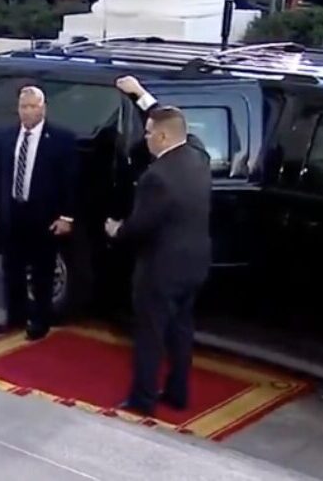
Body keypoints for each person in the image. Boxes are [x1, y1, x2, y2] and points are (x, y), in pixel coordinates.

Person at [104, 107, 211, 417]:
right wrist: (142, 96)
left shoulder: (157, 176)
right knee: (181, 330)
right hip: (195, 265)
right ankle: (178, 393)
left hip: (160, 269)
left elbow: (140, 225)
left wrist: (116, 230)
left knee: (150, 334)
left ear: (163, 136)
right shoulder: (199, 157)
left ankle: (143, 399)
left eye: (149, 132)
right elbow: (184, 130)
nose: (146, 138)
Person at [0, 87, 77, 340]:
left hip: (43, 215)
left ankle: (40, 320)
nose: (28, 111)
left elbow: (70, 181)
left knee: (42, 271)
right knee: (11, 269)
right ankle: (15, 316)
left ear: (43, 108)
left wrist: (66, 216)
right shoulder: (6, 137)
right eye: (24, 107)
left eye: (33, 106)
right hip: (12, 212)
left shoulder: (61, 140)